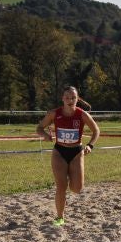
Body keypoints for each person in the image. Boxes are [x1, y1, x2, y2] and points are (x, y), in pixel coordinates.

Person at [35, 86, 100, 227]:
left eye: (73, 98)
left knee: (77, 188)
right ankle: (59, 217)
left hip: (76, 152)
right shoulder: (54, 114)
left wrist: (90, 145)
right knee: (61, 186)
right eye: (67, 97)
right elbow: (39, 128)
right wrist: (45, 135)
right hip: (59, 152)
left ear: (77, 99)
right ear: (62, 99)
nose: (70, 100)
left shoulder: (82, 114)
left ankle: (71, 178)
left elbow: (96, 131)